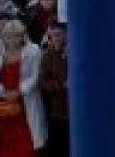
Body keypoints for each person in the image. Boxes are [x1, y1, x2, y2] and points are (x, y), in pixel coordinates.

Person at [0, 20, 47, 157]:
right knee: (6, 144)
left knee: (27, 144)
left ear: (23, 35)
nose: (12, 40)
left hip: (25, 104)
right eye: (8, 36)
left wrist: (20, 91)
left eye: (16, 36)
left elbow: (35, 76)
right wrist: (1, 92)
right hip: (3, 105)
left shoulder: (33, 51)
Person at [38, 23, 69, 157]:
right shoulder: (47, 55)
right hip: (57, 110)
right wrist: (61, 85)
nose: (56, 38)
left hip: (75, 110)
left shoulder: (74, 52)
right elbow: (42, 81)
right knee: (59, 146)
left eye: (59, 34)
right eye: (53, 36)